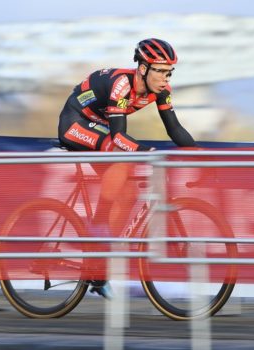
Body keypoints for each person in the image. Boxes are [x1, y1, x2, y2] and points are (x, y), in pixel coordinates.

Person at [56, 38, 197, 298]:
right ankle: (97, 231)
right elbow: (119, 138)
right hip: (76, 122)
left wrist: (202, 157)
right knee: (122, 159)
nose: (166, 78)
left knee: (128, 193)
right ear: (143, 68)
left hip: (99, 123)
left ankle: (97, 265)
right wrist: (150, 153)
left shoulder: (161, 89)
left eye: (169, 72)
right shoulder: (122, 85)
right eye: (161, 71)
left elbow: (174, 129)